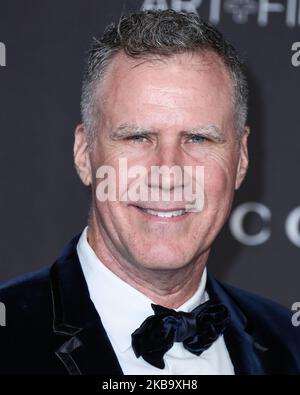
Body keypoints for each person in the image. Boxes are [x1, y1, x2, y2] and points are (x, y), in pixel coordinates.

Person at [0, 9, 299, 375]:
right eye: (138, 137)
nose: (168, 173)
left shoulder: (290, 345)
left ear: (241, 160)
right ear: (83, 153)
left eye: (199, 138)